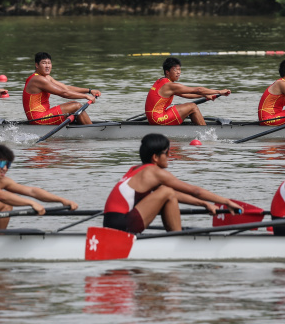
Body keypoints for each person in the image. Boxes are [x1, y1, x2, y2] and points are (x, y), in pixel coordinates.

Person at [103, 134, 242, 233]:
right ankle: (176, 239)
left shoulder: (136, 169)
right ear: (155, 157)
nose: (169, 156)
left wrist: (204, 204)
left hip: (111, 223)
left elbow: (174, 195)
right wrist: (226, 201)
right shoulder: (153, 172)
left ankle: (175, 235)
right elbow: (195, 191)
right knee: (167, 191)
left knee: (168, 193)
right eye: (166, 152)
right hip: (122, 225)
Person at [0, 143, 79, 234]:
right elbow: (0, 196)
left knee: (6, 205)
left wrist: (62, 200)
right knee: (4, 202)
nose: (5, 168)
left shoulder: (2, 181)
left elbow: (32, 191)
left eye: (8, 164)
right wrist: (31, 203)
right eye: (1, 163)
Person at [145, 57, 230, 126]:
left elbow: (187, 95)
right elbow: (198, 90)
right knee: (192, 106)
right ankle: (206, 132)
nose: (178, 72)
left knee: (188, 107)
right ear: (167, 72)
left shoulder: (161, 81)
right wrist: (219, 91)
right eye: (175, 70)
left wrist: (205, 96)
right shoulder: (170, 85)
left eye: (179, 69)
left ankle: (197, 128)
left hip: (153, 118)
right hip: (158, 119)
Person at [23, 52, 100, 125]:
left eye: (49, 63)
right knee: (77, 106)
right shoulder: (38, 79)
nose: (47, 66)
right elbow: (64, 93)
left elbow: (65, 88)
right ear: (37, 65)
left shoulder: (46, 77)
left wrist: (89, 91)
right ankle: (92, 129)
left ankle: (84, 126)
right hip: (38, 119)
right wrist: (86, 96)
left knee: (72, 103)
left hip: (45, 114)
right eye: (44, 63)